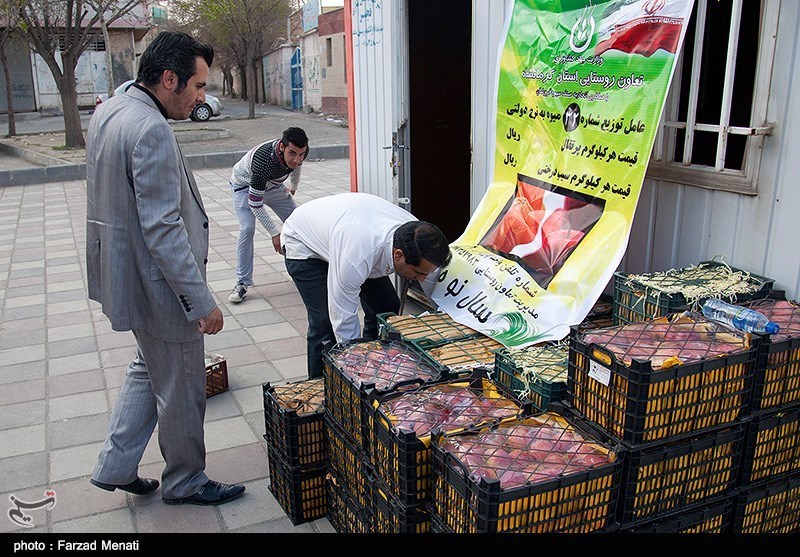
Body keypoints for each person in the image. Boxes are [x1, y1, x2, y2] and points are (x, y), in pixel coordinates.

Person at [85, 31, 245, 506]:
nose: (201, 97)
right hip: (159, 286)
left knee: (148, 369)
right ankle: (185, 480)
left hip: (126, 275)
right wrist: (201, 302)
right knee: (181, 388)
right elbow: (163, 228)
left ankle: (115, 465)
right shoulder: (150, 128)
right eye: (197, 86)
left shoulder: (115, 107)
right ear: (169, 78)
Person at [281, 192, 452, 379]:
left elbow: (436, 290)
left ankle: (380, 369)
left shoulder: (420, 242)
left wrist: (450, 320)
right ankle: (320, 388)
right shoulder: (357, 256)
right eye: (418, 273)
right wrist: (354, 367)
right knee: (324, 324)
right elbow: (343, 313)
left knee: (386, 310)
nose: (421, 279)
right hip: (303, 243)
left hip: (349, 230)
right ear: (398, 255)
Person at [227, 127, 309, 304]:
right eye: (292, 153)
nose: (297, 159)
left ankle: (307, 272)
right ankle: (242, 283)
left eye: (301, 154)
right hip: (244, 187)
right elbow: (255, 203)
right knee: (247, 229)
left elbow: (297, 167)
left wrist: (293, 185)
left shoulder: (301, 152)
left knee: (299, 223)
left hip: (273, 186)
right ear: (281, 147)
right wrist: (274, 233)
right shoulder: (263, 162)